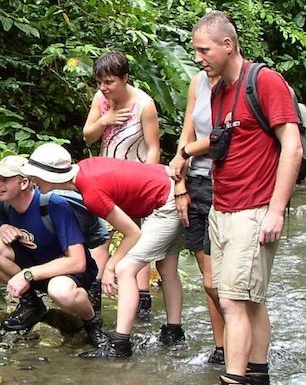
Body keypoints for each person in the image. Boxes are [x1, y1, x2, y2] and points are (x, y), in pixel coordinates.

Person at [185, 12, 302, 385]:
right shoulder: (217, 92)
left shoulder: (264, 81)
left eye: (204, 49)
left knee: (233, 301)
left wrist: (275, 210)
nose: (199, 58)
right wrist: (186, 157)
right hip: (222, 206)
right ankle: (258, 377)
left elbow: (292, 147)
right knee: (250, 301)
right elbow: (221, 143)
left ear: (228, 45)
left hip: (255, 210)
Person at [21, 144, 186, 358]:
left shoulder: (91, 192)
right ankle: (174, 331)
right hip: (172, 189)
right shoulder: (84, 169)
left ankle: (120, 345)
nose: (33, 181)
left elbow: (132, 233)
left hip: (168, 203)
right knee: (167, 266)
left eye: (36, 176)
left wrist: (110, 266)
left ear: (50, 176)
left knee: (125, 269)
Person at [0, 156, 105, 348]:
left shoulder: (54, 206)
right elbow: (4, 230)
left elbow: (78, 262)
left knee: (59, 291)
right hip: (35, 268)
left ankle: (92, 322)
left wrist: (27, 274)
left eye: (5, 179)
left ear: (24, 183)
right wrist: (3, 228)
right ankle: (31, 304)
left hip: (67, 273)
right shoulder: (6, 204)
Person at [82, 51, 160, 319]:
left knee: (136, 236)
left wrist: (148, 184)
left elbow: (153, 149)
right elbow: (88, 137)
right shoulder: (100, 100)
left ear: (125, 79)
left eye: (110, 82)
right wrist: (105, 120)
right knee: (100, 234)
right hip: (104, 178)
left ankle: (142, 298)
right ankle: (95, 294)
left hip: (134, 180)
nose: (104, 88)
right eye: (100, 82)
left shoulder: (144, 105)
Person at [168, 69, 226, 366]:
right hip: (196, 183)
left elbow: (221, 137)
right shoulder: (198, 82)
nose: (199, 58)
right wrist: (180, 183)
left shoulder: (240, 83)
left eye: (205, 49)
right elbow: (187, 130)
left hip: (225, 184)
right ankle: (222, 347)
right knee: (207, 279)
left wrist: (186, 150)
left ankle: (243, 339)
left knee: (215, 280)